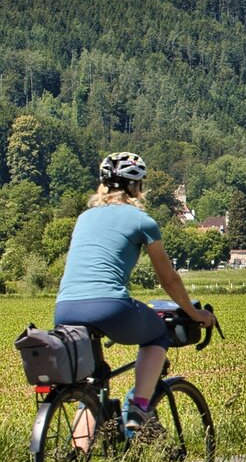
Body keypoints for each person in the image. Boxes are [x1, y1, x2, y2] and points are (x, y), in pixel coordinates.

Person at [54, 152, 215, 430]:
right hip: (110, 306)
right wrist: (194, 312)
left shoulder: (84, 218)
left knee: (92, 385)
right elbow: (168, 280)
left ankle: (76, 460)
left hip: (65, 309)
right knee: (157, 333)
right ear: (136, 187)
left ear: (103, 184)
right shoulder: (142, 221)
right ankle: (139, 409)